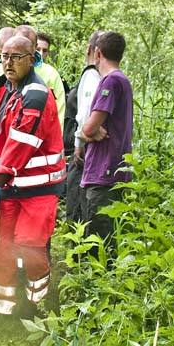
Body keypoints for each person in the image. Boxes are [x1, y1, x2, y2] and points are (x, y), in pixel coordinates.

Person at [0, 36, 66, 316]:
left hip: (37, 189)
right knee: (2, 246)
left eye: (16, 57)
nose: (8, 62)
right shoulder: (7, 90)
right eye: (4, 56)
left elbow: (22, 142)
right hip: (11, 186)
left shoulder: (37, 94)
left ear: (33, 59)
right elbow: (4, 139)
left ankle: (37, 304)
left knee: (30, 248)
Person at [80, 31, 132, 258]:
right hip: (116, 170)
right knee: (110, 236)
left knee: (99, 241)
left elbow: (89, 128)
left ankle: (96, 286)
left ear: (97, 53)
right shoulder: (123, 80)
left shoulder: (110, 81)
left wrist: (86, 132)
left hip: (104, 171)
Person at [67, 31, 103, 223]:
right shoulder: (98, 77)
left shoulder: (91, 75)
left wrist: (79, 142)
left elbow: (85, 114)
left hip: (83, 148)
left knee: (80, 200)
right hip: (87, 147)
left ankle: (78, 245)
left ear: (90, 50)